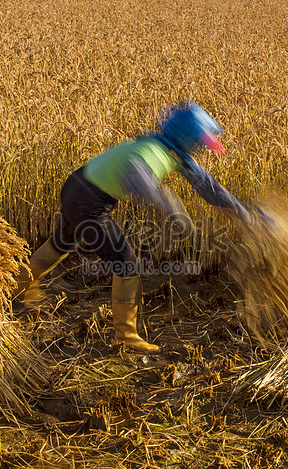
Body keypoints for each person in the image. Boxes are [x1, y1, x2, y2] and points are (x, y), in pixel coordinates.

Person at [13, 100, 252, 352]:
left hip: (77, 187)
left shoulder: (169, 150)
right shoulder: (154, 152)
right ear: (189, 138)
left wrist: (247, 216)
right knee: (126, 264)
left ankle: (19, 287)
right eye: (200, 142)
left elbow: (210, 188)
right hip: (89, 202)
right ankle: (126, 336)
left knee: (63, 242)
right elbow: (138, 176)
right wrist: (174, 210)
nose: (201, 148)